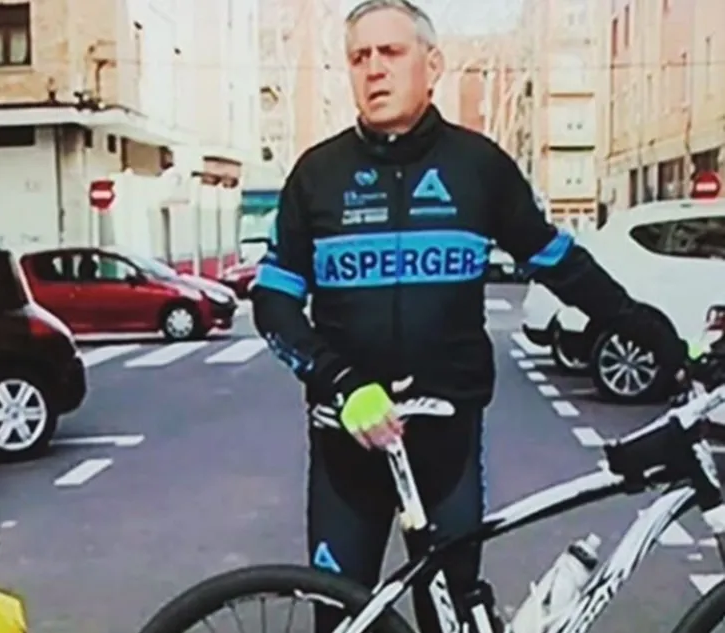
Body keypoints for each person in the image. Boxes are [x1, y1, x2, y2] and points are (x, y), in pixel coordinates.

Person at [249, 1, 689, 632]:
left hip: (445, 440)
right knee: (341, 621)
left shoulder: (477, 167)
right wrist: (339, 381)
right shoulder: (317, 175)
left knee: (449, 620)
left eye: (390, 53)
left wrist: (642, 328)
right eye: (358, 57)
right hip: (348, 441)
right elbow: (273, 302)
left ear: (432, 65)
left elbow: (557, 262)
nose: (373, 70)